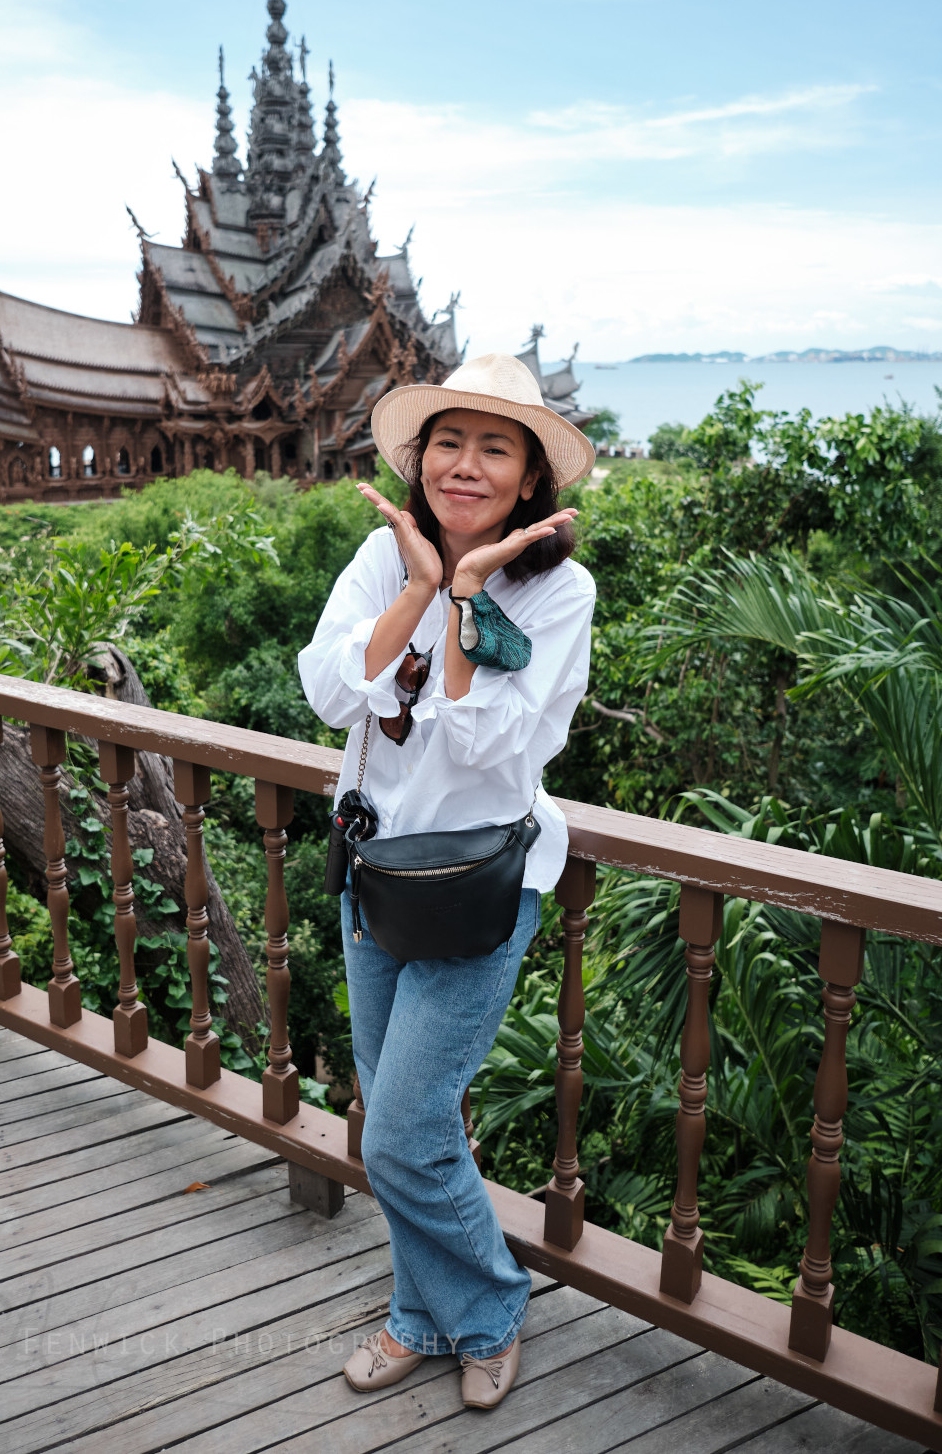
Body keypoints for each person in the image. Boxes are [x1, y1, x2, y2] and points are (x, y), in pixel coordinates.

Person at [297, 353, 597, 1410]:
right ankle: (425, 1318)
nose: (465, 466)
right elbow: (335, 692)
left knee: (402, 1128)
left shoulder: (560, 591)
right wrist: (423, 582)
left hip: (479, 885)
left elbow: (492, 756)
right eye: (449, 444)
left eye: (495, 448)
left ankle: (492, 1306)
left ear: (528, 481)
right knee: (398, 1114)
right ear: (420, 460)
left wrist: (467, 600)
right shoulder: (383, 565)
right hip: (376, 870)